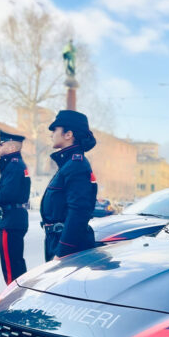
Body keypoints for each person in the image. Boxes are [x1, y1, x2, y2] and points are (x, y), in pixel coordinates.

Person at [40, 110, 98, 261]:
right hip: (58, 240)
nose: (51, 134)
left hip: (68, 247)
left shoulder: (76, 165)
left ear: (68, 134)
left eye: (55, 129)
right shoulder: (69, 164)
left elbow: (79, 211)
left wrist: (62, 252)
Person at [0, 130, 30, 283]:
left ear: (11, 147)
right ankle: (20, 296)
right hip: (15, 219)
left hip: (11, 220)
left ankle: (14, 300)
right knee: (16, 262)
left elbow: (6, 195)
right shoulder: (16, 165)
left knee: (10, 267)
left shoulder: (14, 166)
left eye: (1, 144)